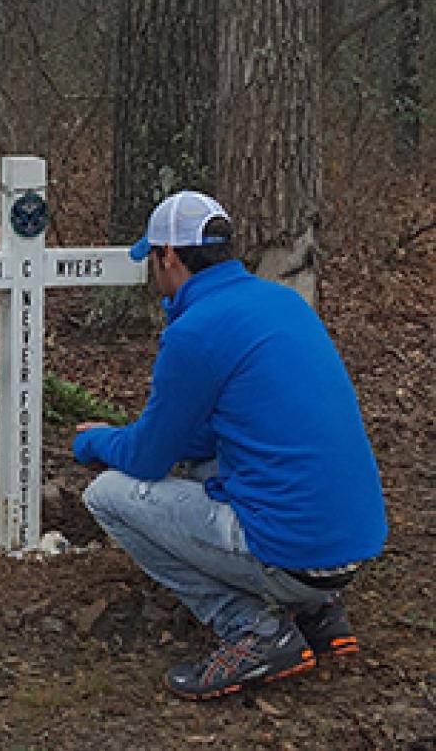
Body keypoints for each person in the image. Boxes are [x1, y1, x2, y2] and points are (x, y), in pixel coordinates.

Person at [73, 190, 387, 700]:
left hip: (293, 555)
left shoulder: (196, 330)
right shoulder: (281, 300)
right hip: (349, 543)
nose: (152, 272)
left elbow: (147, 459)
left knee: (108, 495)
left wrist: (95, 442)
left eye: (151, 257)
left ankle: (255, 631)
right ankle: (320, 613)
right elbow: (201, 439)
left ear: (168, 256)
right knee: (216, 461)